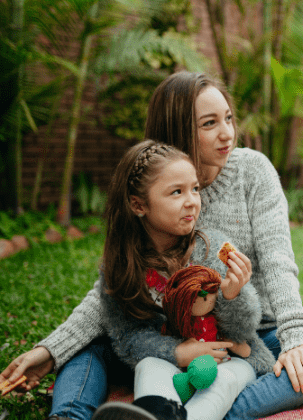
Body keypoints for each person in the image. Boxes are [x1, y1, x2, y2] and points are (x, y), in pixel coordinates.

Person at [0, 72, 303, 420]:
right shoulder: (154, 189)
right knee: (88, 346)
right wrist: (51, 350)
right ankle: (70, 415)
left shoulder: (253, 171)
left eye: (228, 118)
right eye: (209, 123)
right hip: (167, 335)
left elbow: (278, 261)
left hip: (249, 334)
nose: (227, 133)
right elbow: (114, 290)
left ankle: (199, 414)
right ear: (178, 130)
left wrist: (293, 339)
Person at [91, 140, 263, 420]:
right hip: (170, 359)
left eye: (195, 189)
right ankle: (159, 414)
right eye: (176, 192)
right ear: (138, 204)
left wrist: (233, 294)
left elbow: (244, 331)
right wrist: (178, 352)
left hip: (225, 360)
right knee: (149, 366)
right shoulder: (121, 266)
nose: (191, 201)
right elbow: (127, 336)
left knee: (225, 380)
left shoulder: (211, 249)